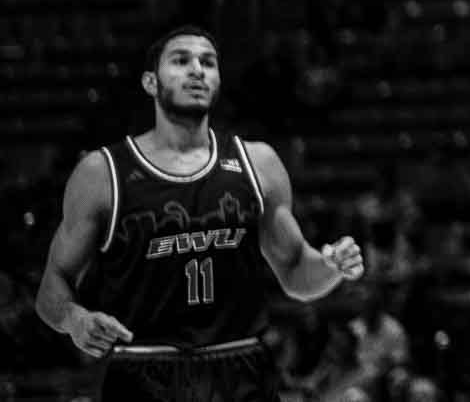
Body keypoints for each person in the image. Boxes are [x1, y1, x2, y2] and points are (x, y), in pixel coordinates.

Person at [35, 25, 366, 400]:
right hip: (144, 369)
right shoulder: (102, 172)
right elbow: (51, 287)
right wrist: (75, 319)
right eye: (181, 61)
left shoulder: (258, 163)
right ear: (150, 82)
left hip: (240, 368)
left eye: (208, 62)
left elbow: (294, 273)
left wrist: (330, 266)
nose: (197, 70)